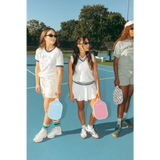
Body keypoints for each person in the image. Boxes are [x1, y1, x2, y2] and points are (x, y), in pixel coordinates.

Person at [33, 27, 64, 142]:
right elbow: (37, 68)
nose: (54, 38)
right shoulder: (39, 51)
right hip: (43, 81)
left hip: (52, 82)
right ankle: (57, 128)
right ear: (44, 37)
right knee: (49, 108)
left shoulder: (58, 52)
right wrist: (37, 82)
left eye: (55, 36)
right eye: (51, 35)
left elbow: (60, 72)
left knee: (47, 109)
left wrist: (58, 87)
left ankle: (43, 131)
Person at [68, 36, 101, 139]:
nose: (88, 45)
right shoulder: (72, 58)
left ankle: (90, 127)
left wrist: (98, 89)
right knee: (81, 108)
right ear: (78, 45)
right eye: (85, 43)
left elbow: (95, 74)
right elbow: (70, 76)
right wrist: (70, 91)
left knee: (97, 110)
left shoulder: (92, 58)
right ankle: (83, 127)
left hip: (90, 87)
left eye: (88, 43)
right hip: (78, 87)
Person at [112, 20, 136, 137]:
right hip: (123, 74)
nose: (134, 31)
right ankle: (118, 124)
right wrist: (116, 78)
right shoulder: (120, 44)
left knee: (129, 96)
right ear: (127, 29)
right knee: (122, 99)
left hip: (135, 74)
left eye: (136, 29)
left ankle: (125, 118)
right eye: (132, 28)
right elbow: (115, 62)